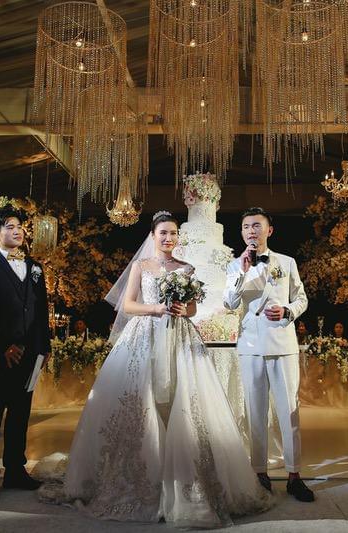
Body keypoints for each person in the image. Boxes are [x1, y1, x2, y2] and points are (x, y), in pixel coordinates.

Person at [44, 211, 270, 528]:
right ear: (153, 236)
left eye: (173, 233)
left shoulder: (186, 269)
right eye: (163, 233)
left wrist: (182, 308)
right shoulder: (141, 267)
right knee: (142, 403)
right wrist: (157, 308)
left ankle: (186, 484)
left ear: (179, 237)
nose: (168, 238)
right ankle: (142, 480)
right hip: (144, 337)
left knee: (184, 405)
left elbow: (191, 308)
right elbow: (127, 305)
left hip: (179, 337)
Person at [223, 207, 314, 502]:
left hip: (283, 344)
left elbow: (301, 297)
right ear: (241, 232)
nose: (252, 231)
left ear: (269, 230)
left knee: (289, 412)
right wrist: (243, 271)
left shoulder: (286, 262)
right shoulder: (235, 266)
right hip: (250, 345)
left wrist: (288, 310)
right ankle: (259, 472)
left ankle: (294, 474)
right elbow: (228, 302)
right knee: (255, 412)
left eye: (257, 226)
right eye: (246, 226)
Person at [0, 205, 52, 503]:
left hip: (30, 353)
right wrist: (4, 344)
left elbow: (41, 309)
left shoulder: (35, 267)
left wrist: (44, 347)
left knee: (20, 415)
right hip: (0, 353)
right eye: (9, 226)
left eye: (19, 226)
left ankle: (15, 470)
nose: (17, 231)